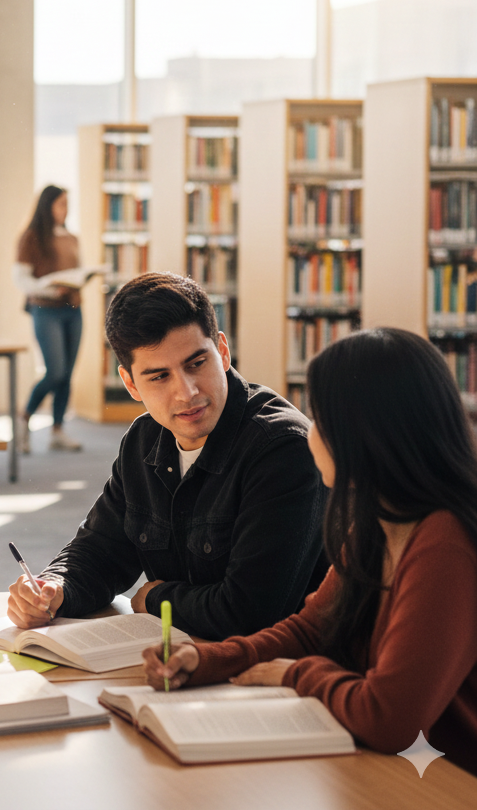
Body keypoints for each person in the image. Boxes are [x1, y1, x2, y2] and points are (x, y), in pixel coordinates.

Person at [143, 328, 477, 777]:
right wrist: (208, 660)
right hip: (404, 768)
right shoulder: (377, 522)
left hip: (448, 781)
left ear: (365, 435)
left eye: (319, 420)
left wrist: (294, 675)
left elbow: (389, 719)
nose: (309, 433)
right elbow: (309, 631)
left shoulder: (446, 544)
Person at [7, 272, 327, 641]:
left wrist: (158, 600)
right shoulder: (144, 440)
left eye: (196, 364)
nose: (186, 392)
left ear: (222, 351)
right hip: (184, 659)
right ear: (131, 384)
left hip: (278, 673)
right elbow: (101, 550)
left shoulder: (283, 447)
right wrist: (52, 589)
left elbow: (253, 612)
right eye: (159, 377)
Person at [13, 185, 84, 453]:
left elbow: (78, 269)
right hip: (45, 309)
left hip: (73, 308)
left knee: (67, 375)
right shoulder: (31, 237)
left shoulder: (72, 238)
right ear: (47, 206)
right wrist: (50, 289)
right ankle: (24, 417)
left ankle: (57, 430)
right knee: (55, 371)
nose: (66, 209)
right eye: (61, 204)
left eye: (68, 204)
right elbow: (21, 278)